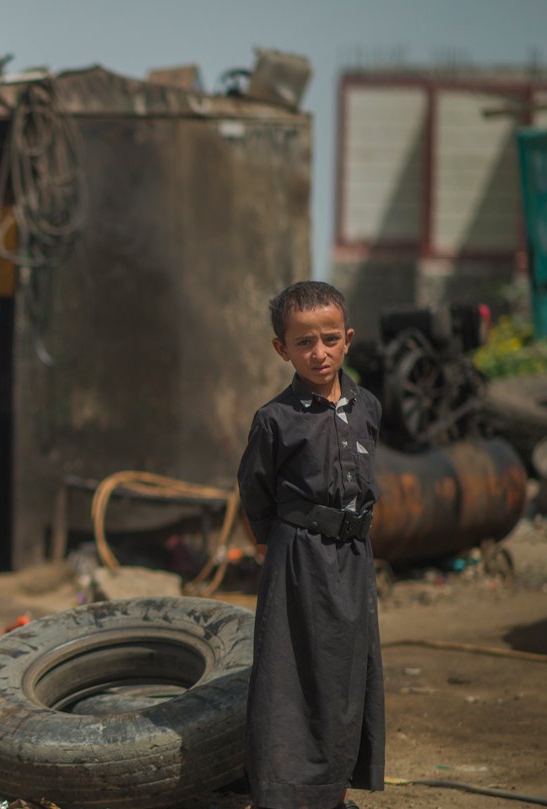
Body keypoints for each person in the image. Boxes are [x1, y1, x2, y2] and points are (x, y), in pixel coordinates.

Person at [237, 281, 385, 809]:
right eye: (303, 343)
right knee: (291, 674)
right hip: (298, 559)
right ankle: (283, 796)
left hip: (354, 559)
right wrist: (275, 549)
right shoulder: (275, 419)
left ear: (347, 339)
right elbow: (254, 491)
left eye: (328, 339)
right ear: (282, 349)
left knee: (345, 676)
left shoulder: (367, 406)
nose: (318, 353)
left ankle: (334, 790)